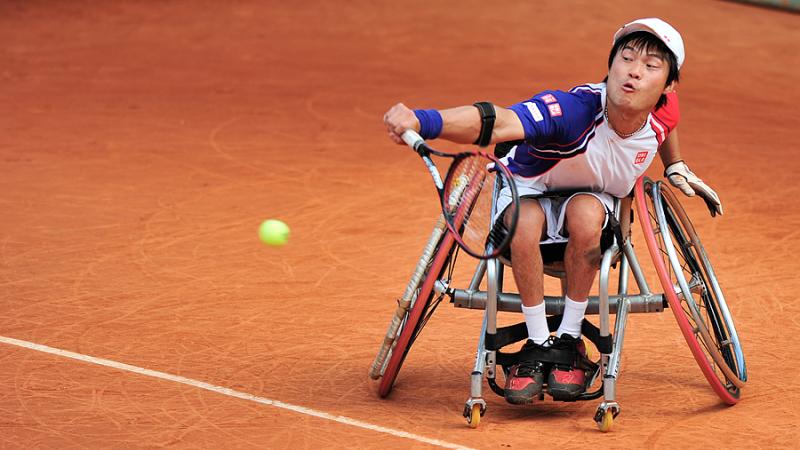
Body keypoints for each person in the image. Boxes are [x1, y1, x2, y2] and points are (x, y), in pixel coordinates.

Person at [382, 18, 722, 404]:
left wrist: (675, 164)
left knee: (586, 213)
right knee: (526, 220)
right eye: (625, 58)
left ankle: (570, 337)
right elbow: (499, 121)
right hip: (529, 190)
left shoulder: (663, 110)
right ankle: (539, 340)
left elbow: (668, 123)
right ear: (609, 65)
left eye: (650, 67)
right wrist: (424, 121)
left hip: (592, 203)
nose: (634, 71)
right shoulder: (571, 111)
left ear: (667, 85)